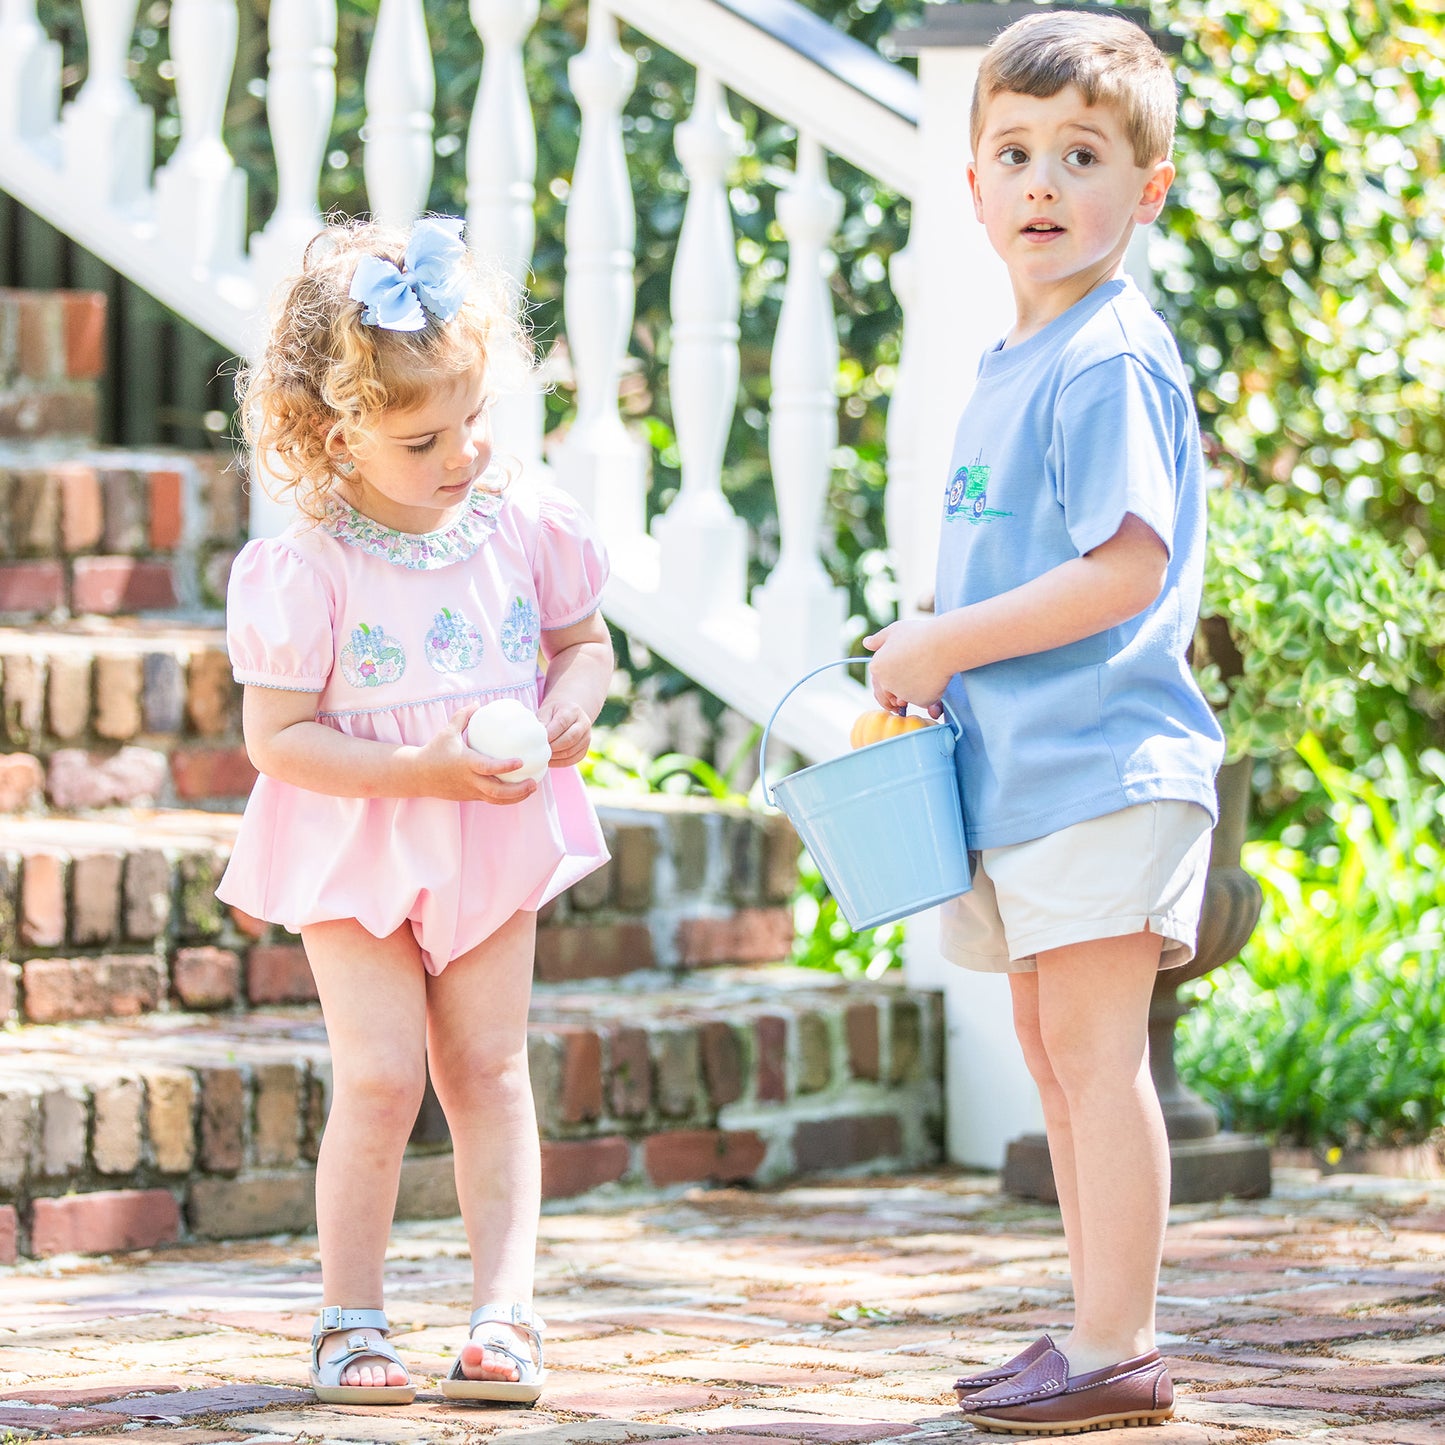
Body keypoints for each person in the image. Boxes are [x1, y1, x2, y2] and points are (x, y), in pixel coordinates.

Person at [864, 12, 1223, 1436]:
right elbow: (1026, 561)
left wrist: (948, 638)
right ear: (970, 186)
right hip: (1027, 771)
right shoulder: (1018, 357)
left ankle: (1118, 1343)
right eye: (1012, 153)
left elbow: (1125, 567)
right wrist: (935, 638)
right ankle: (1089, 1321)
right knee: (1050, 1046)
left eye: (1080, 156)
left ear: (1145, 191)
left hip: (1102, 763)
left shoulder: (1108, 357)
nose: (1042, 183)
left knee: (1093, 1055)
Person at [216, 216, 614, 1408]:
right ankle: (352, 1319)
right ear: (337, 436)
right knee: (383, 1077)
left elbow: (583, 644)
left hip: (488, 828)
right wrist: (418, 773)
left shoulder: (522, 524)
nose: (462, 453)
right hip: (355, 841)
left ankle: (504, 1316)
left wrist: (570, 712)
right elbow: (275, 739)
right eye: (422, 437)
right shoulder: (309, 569)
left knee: (490, 1068)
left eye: (474, 418)